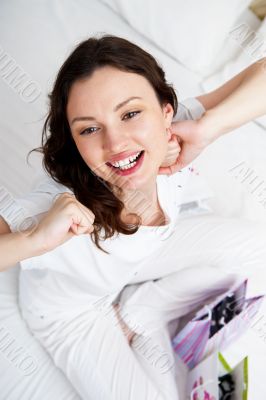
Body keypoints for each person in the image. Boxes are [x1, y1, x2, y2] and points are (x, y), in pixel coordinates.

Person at [0, 35, 266, 400]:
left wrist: (208, 128)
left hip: (141, 259)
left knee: (259, 250)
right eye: (89, 129)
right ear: (74, 140)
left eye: (130, 114)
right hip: (75, 313)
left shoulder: (169, 134)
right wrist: (33, 240)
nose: (116, 143)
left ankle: (141, 311)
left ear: (166, 112)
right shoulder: (57, 202)